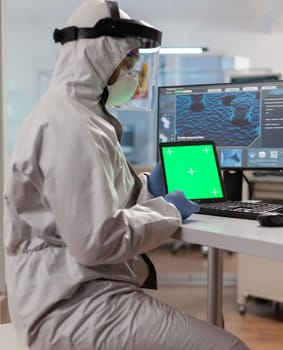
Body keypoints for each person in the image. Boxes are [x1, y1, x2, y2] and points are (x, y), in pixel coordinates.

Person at [4, 1, 249, 349]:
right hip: (70, 306)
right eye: (129, 64)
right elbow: (97, 241)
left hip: (75, 289)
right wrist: (168, 208)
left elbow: (95, 201)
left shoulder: (79, 115)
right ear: (100, 59)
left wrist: (148, 187)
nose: (135, 77)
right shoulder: (70, 125)